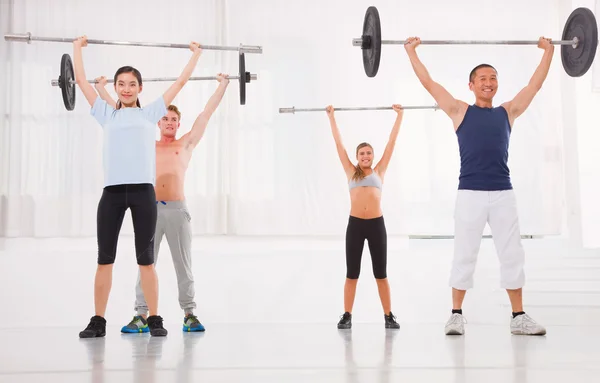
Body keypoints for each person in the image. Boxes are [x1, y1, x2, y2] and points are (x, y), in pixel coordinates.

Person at [403, 36, 552, 336]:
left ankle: (518, 316)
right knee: (465, 253)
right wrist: (411, 52)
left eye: (493, 78)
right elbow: (429, 83)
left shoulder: (507, 112)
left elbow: (533, 86)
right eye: (482, 78)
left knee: (512, 253)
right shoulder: (459, 111)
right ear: (470, 85)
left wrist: (548, 52)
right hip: (470, 193)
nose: (489, 82)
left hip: (503, 193)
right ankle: (456, 315)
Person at [74, 35, 202, 338]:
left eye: (132, 84)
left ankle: (154, 318)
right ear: (116, 88)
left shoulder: (150, 113)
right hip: (113, 194)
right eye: (121, 84)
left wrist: (195, 56)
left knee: (146, 261)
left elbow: (181, 83)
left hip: (145, 193)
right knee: (105, 258)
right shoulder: (107, 114)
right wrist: (76, 49)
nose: (127, 88)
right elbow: (80, 81)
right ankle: (98, 321)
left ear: (140, 88)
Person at [94, 74, 231, 333]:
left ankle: (189, 313)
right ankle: (141, 315)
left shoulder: (186, 143)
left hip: (178, 211)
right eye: (165, 118)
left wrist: (222, 86)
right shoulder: (145, 138)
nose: (169, 122)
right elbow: (119, 114)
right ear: (158, 121)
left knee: (184, 265)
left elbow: (206, 114)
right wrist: (101, 89)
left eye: (174, 120)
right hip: (150, 209)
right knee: (145, 264)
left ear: (179, 124)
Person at [326, 104, 403, 330]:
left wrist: (400, 116)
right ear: (357, 157)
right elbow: (338, 145)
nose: (366, 156)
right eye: (362, 153)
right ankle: (347, 315)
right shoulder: (351, 171)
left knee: (381, 274)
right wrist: (331, 117)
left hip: (377, 226)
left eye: (369, 152)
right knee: (352, 274)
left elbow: (392, 143)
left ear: (373, 155)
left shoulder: (380, 171)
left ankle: (388, 316)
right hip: (356, 226)